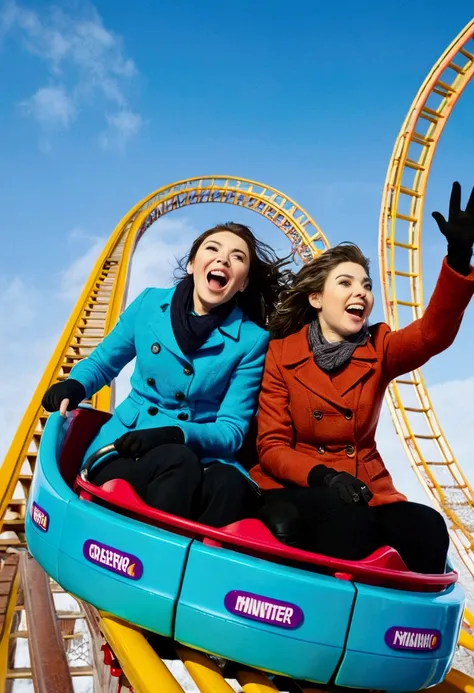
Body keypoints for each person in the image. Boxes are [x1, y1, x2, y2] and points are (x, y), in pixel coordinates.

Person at [250, 182, 474, 574]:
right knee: (344, 520)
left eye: (366, 285)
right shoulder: (282, 355)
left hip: (365, 488)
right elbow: (271, 446)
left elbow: (432, 334)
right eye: (347, 283)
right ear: (316, 298)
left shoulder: (380, 346)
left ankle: (408, 630)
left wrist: (457, 259)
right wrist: (323, 474)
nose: (362, 293)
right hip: (298, 485)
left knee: (427, 528)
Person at [42, 222, 288, 527]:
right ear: (192, 263)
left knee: (229, 486)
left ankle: (188, 567)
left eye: (237, 257)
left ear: (243, 283)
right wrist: (75, 385)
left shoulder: (251, 341)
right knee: (177, 463)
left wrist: (176, 434)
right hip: (126, 446)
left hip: (197, 451)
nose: (223, 260)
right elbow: (104, 363)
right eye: (212, 249)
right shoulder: (148, 304)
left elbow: (231, 430)